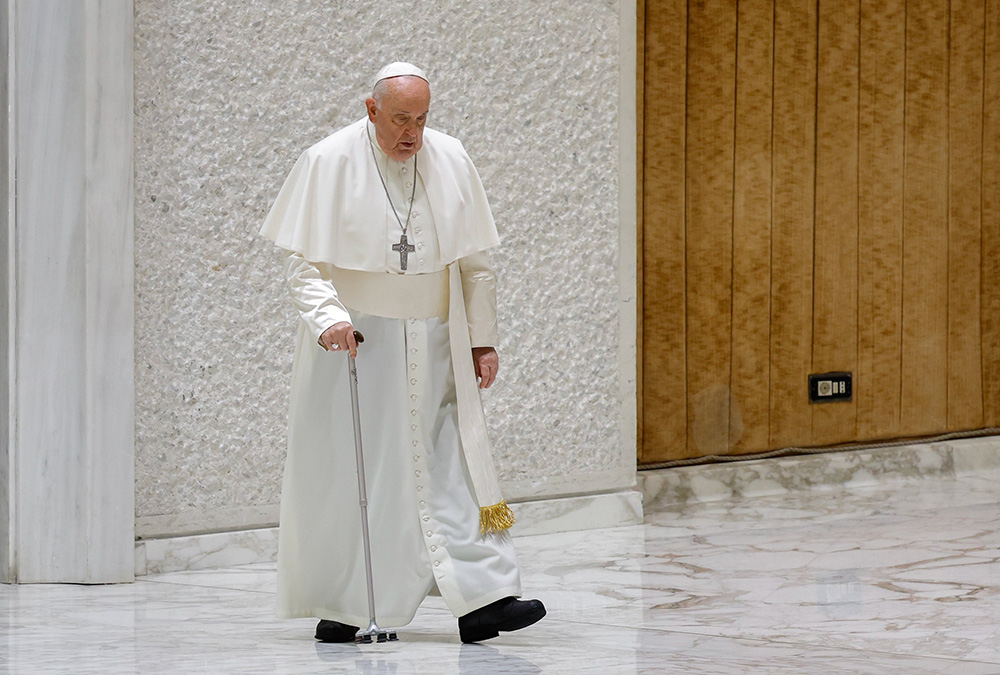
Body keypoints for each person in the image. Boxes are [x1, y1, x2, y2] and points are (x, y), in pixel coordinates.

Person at [260, 62, 545, 644]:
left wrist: (482, 339)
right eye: (398, 120)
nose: (411, 134)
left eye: (420, 119)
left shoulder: (451, 158)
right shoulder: (328, 161)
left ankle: (484, 600)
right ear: (371, 110)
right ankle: (344, 604)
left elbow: (476, 263)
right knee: (358, 469)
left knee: (448, 462)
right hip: (359, 342)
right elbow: (303, 263)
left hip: (437, 339)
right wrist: (330, 318)